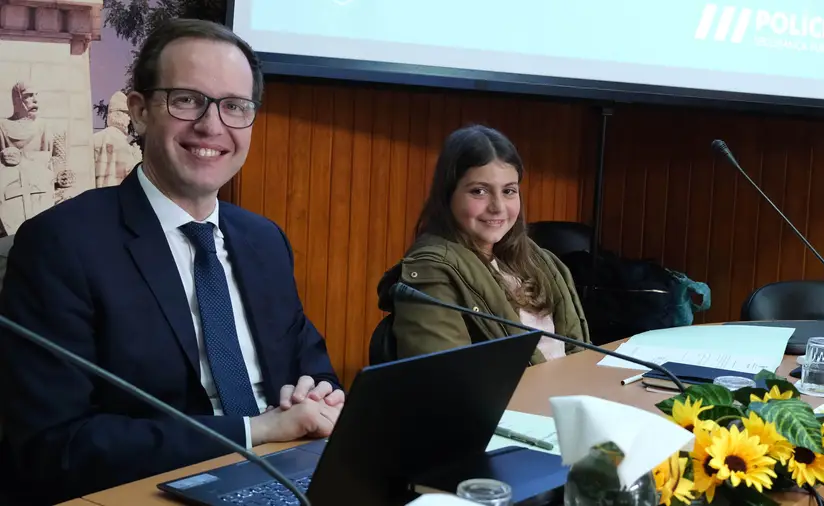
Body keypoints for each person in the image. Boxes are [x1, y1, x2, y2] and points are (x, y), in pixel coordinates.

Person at [0, 19, 344, 505]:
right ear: (140, 113)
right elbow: (56, 446)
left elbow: (316, 373)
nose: (212, 125)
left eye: (234, 107)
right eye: (187, 99)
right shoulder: (61, 246)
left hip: (285, 477)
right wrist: (253, 430)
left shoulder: (264, 241)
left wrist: (318, 397)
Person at [377, 125, 589, 364]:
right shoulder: (430, 271)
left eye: (509, 191)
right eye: (479, 191)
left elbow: (576, 350)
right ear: (448, 196)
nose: (498, 206)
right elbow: (446, 379)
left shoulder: (538, 258)